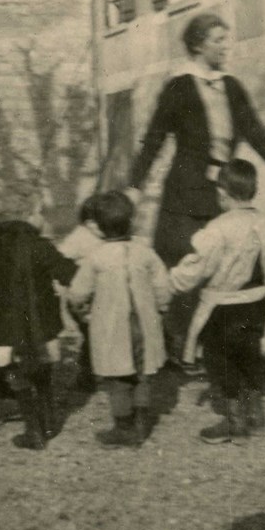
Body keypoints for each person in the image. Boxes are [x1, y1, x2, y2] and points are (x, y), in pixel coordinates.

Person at [127, 12, 265, 365]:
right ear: (199, 44)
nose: (225, 46)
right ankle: (176, 346)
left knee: (227, 264)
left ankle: (216, 342)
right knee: (185, 265)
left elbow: (254, 129)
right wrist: (133, 185)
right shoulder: (179, 86)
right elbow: (154, 138)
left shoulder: (231, 85)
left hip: (224, 193)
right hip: (185, 195)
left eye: (225, 38)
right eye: (218, 40)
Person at [169, 160, 265, 445]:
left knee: (222, 361)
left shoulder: (217, 229)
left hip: (223, 308)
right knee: (250, 355)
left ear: (222, 192)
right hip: (257, 304)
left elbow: (197, 267)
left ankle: (236, 423)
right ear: (254, 191)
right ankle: (256, 413)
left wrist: (172, 281)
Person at [0, 182, 77, 451]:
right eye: (40, 212)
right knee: (42, 366)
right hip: (40, 322)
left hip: (5, 325)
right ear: (29, 214)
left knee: (15, 370)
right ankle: (48, 420)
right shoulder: (39, 245)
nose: (43, 218)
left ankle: (33, 429)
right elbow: (68, 273)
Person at [69, 191, 170, 448]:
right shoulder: (145, 253)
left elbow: (78, 291)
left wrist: (80, 307)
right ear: (132, 222)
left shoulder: (96, 257)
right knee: (142, 375)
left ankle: (123, 427)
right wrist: (161, 306)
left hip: (113, 328)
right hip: (145, 326)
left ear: (99, 229)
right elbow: (162, 285)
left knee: (118, 379)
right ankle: (140, 423)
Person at [58, 194, 104, 390]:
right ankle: (86, 376)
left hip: (100, 295)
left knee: (99, 334)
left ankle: (93, 373)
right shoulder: (79, 237)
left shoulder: (105, 234)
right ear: (90, 222)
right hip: (83, 298)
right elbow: (60, 257)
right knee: (93, 335)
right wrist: (72, 277)